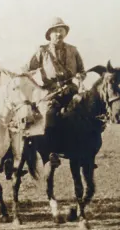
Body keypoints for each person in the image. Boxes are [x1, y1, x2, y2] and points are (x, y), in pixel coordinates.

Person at [26, 17, 86, 167]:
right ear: (49, 34)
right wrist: (37, 85)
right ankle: (52, 152)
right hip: (51, 93)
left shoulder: (73, 50)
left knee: (85, 112)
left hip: (71, 90)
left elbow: (82, 70)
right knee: (51, 114)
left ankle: (84, 149)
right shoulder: (41, 52)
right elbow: (27, 71)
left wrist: (80, 75)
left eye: (61, 30)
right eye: (55, 31)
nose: (59, 34)